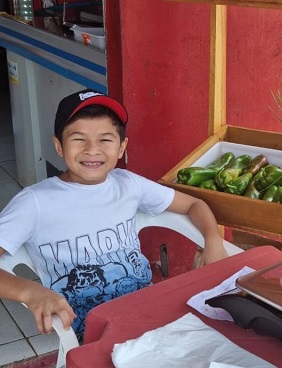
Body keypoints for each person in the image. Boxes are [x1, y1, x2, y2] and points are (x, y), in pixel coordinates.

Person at [0, 89, 228, 339]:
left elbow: (194, 204)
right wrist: (31, 292)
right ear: (59, 146)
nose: (92, 150)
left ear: (121, 147)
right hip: (94, 327)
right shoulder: (35, 202)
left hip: (150, 307)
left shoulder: (128, 183)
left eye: (105, 140)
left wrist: (213, 240)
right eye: (79, 139)